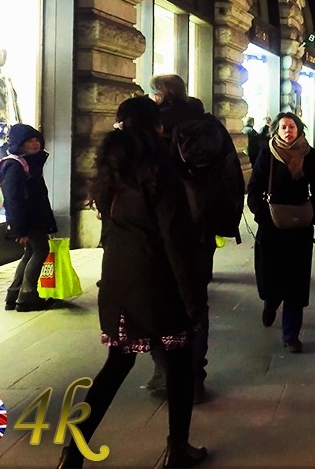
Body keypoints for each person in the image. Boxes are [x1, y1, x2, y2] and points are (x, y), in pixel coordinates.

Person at [60, 96, 206, 468]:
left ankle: (73, 451)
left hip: (119, 278)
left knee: (116, 364)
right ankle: (178, 448)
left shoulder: (110, 168)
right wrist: (192, 297)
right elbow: (175, 236)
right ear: (156, 126)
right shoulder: (159, 168)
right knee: (178, 363)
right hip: (158, 280)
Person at [148, 73, 243, 403]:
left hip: (164, 229)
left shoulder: (155, 126)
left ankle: (164, 368)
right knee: (196, 301)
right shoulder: (210, 124)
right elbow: (232, 174)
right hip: (202, 227)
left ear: (161, 94)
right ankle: (194, 376)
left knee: (159, 299)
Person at [247, 112, 315, 352]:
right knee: (270, 276)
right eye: (283, 127)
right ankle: (270, 304)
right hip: (271, 225)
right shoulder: (267, 154)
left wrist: (313, 212)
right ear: (276, 130)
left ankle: (291, 334)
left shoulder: (310, 155)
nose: (287, 131)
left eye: (291, 127)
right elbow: (254, 187)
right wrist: (261, 214)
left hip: (299, 226)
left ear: (299, 129)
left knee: (296, 280)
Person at [0, 124, 59, 312]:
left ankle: (15, 293)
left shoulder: (26, 162)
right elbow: (13, 198)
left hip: (32, 217)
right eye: (29, 141)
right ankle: (27, 296)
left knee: (31, 252)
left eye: (36, 140)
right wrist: (19, 229)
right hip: (29, 219)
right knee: (41, 249)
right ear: (19, 144)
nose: (34, 144)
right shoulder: (15, 165)